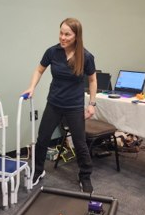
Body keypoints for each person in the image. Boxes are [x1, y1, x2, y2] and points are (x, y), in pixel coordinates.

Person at [22, 18, 97, 193]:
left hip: (75, 106)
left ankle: (85, 177)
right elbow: (39, 70)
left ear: (76, 36)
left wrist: (92, 103)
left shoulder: (86, 56)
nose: (62, 37)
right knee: (42, 140)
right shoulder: (52, 52)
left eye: (67, 34)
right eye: (61, 33)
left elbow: (92, 80)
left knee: (80, 143)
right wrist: (32, 87)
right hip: (54, 103)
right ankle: (38, 171)